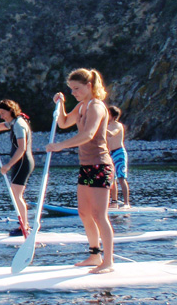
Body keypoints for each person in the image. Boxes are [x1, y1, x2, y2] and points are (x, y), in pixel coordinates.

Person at [46, 68, 115, 274]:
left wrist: (60, 146)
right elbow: (64, 122)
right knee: (84, 213)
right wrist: (60, 105)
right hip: (86, 166)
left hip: (100, 165)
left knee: (99, 214)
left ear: (89, 86)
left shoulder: (96, 106)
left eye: (76, 89)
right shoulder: (82, 105)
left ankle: (108, 261)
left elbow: (88, 134)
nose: (74, 92)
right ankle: (95, 255)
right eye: (71, 89)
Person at [0, 100, 34, 236]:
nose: (1, 116)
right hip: (20, 162)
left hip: (22, 162)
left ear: (11, 110)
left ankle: (25, 227)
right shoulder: (14, 122)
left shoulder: (19, 124)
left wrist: (8, 165)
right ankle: (24, 225)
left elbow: (22, 148)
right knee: (16, 194)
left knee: (17, 194)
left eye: (3, 113)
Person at [107, 106, 130, 208]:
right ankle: (114, 201)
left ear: (114, 116)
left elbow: (112, 134)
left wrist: (100, 127)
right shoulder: (107, 126)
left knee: (121, 178)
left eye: (108, 114)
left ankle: (126, 203)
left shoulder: (118, 125)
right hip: (110, 154)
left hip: (119, 153)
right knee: (112, 179)